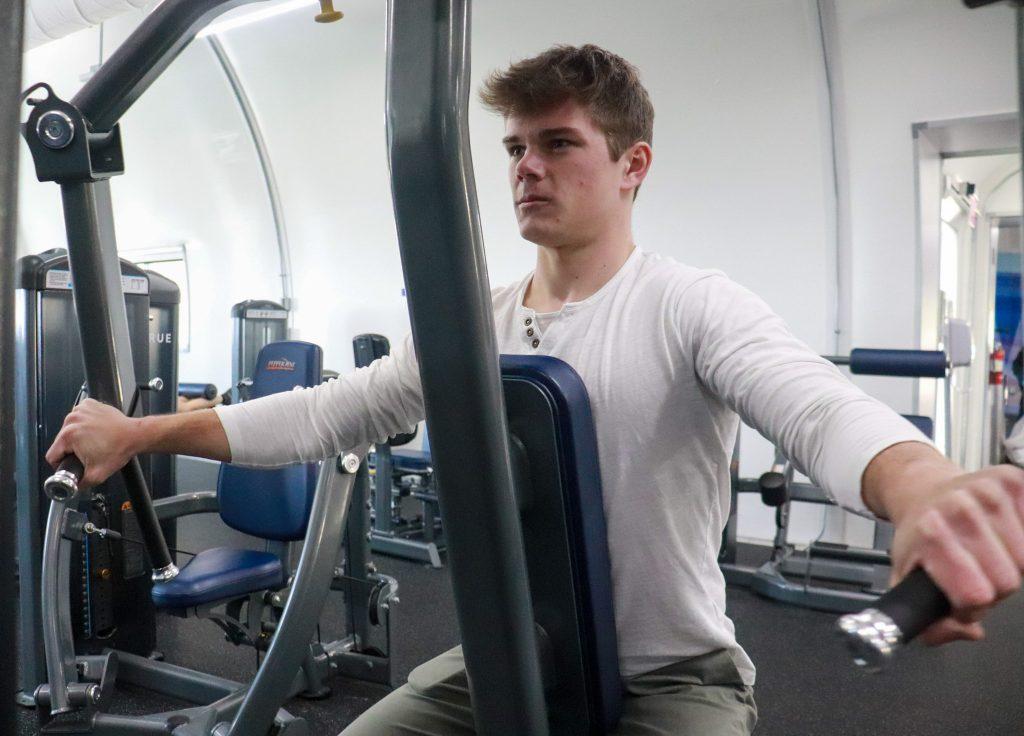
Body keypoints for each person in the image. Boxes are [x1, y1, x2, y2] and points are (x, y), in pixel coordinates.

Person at [47, 45, 1024, 736]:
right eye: (514, 148)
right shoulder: (469, 319)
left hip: (671, 677)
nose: (526, 168)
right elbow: (322, 412)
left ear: (631, 164)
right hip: (502, 655)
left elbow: (814, 404)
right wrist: (142, 431)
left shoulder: (689, 304)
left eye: (556, 144)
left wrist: (922, 485)